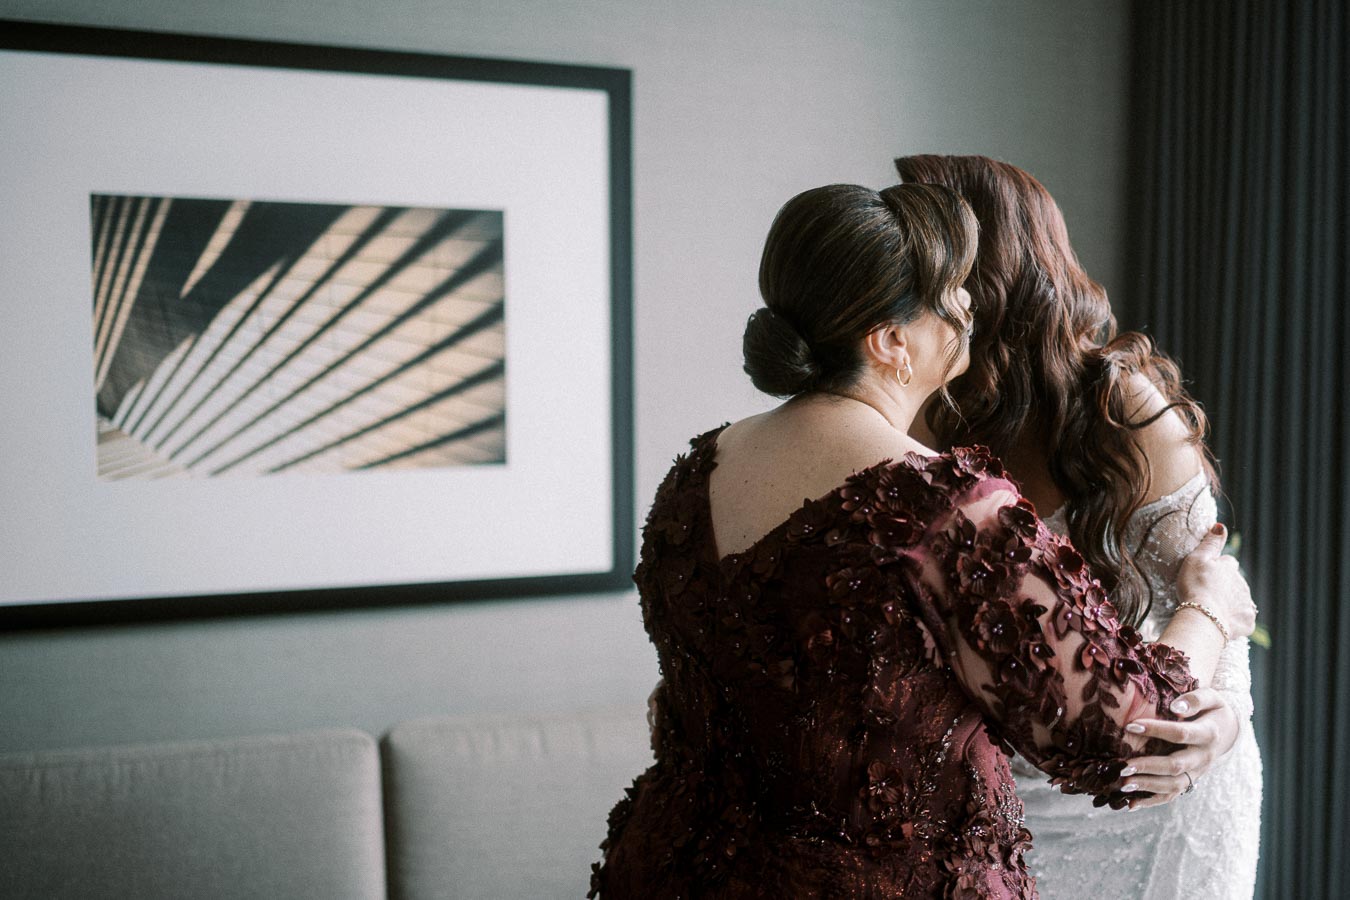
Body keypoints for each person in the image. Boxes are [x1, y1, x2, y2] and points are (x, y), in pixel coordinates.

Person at [589, 182, 1254, 898]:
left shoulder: (698, 472)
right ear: (890, 341)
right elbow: (1127, 737)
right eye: (950, 291)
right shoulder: (944, 507)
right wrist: (1211, 609)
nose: (969, 306)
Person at [894, 153, 1263, 899]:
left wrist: (1224, 719)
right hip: (1002, 794)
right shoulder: (919, 402)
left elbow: (1213, 582)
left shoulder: (1121, 409)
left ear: (983, 271)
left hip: (1162, 790)